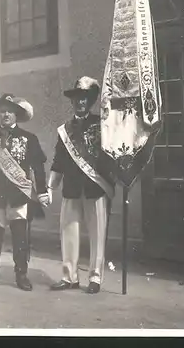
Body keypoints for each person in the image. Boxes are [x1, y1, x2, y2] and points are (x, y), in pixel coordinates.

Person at [0, 93, 49, 292]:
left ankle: (21, 274)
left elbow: (38, 167)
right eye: (2, 110)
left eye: (10, 110)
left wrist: (41, 191)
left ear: (16, 114)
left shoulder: (29, 139)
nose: (5, 114)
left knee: (20, 237)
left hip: (18, 196)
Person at [47, 77, 115, 294]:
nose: (80, 103)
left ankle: (95, 278)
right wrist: (50, 188)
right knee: (68, 233)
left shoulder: (103, 125)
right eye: (77, 99)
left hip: (95, 187)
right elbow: (58, 161)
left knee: (97, 235)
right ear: (72, 102)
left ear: (91, 101)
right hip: (72, 188)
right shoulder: (64, 130)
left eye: (84, 99)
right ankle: (69, 278)